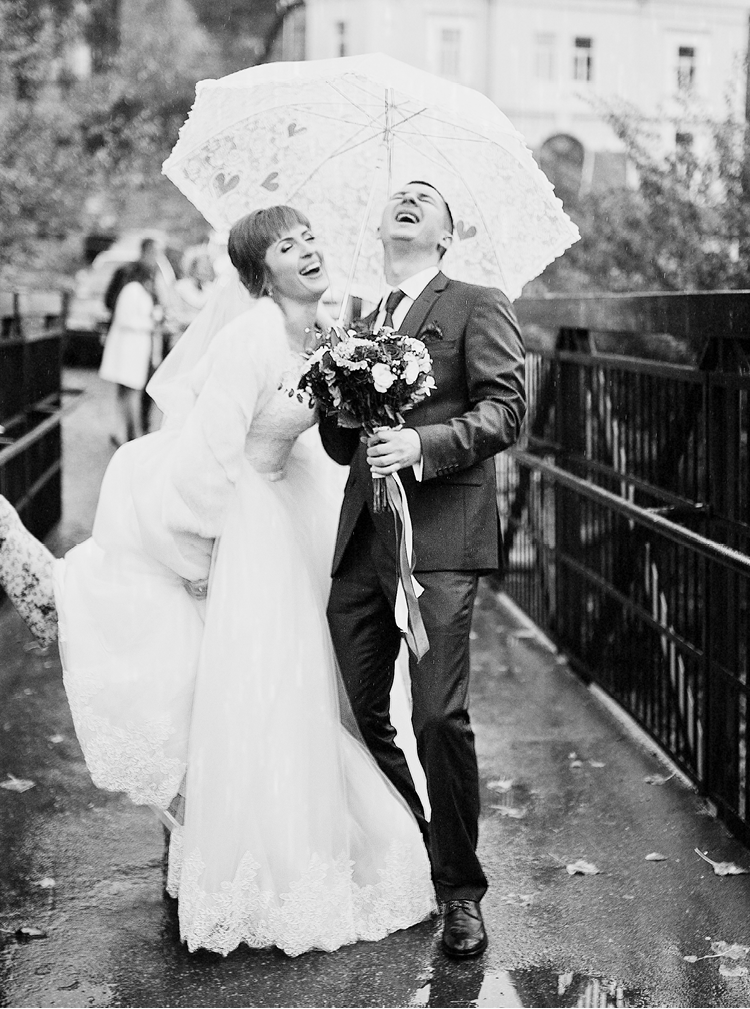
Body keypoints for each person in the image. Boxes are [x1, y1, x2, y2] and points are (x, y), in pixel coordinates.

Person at [0, 206, 436, 957]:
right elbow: (209, 457)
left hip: (285, 514)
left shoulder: (325, 337)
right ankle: (11, 552)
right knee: (184, 674)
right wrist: (197, 560)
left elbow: (320, 439)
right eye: (286, 246)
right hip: (231, 522)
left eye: (310, 238)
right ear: (260, 275)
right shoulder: (251, 338)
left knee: (238, 691)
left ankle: (212, 848)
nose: (308, 250)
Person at [320, 180, 527, 960]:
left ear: (446, 233)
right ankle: (418, 840)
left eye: (424, 199)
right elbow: (339, 446)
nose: (406, 200)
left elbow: (506, 409)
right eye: (397, 197)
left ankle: (461, 890)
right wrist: (337, 393)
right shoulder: (359, 319)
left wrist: (420, 444)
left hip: (439, 538)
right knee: (355, 712)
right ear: (380, 227)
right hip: (362, 543)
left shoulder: (475, 302)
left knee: (438, 715)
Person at [98, 270, 161, 444]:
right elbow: (125, 319)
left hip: (136, 350)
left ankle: (122, 432)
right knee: (132, 391)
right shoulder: (133, 290)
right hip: (129, 350)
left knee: (126, 392)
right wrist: (151, 322)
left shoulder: (140, 292)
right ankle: (135, 434)